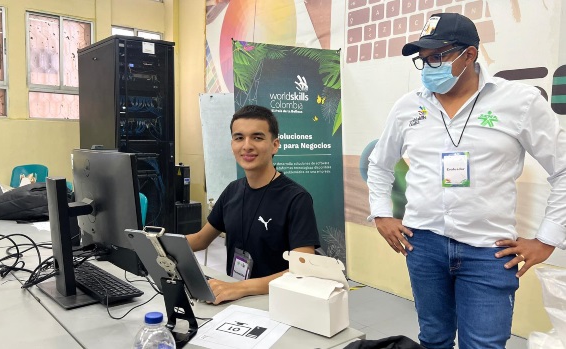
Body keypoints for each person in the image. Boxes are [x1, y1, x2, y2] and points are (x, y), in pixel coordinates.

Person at [367, 13, 566, 349]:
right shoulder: (408, 107)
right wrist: (381, 214)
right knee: (434, 338)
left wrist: (546, 239)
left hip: (489, 251)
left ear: (470, 54)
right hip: (423, 244)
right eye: (423, 60)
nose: (429, 67)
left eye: (438, 57)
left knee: (484, 344)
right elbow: (379, 164)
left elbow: (562, 170)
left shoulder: (520, 102)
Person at [187, 104, 321, 304]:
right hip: (235, 299)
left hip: (277, 301)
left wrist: (241, 288)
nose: (246, 146)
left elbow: (303, 267)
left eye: (257, 138)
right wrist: (153, 243)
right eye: (239, 138)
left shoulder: (296, 198)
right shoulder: (233, 190)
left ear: (275, 145)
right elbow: (200, 239)